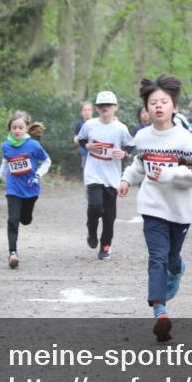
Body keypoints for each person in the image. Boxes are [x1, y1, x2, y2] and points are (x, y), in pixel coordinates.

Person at [120, 75, 192, 342]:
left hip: (180, 210)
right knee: (156, 258)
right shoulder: (142, 137)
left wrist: (168, 174)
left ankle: (177, 268)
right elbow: (138, 165)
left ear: (174, 107)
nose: (158, 106)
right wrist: (125, 179)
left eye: (163, 102)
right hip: (152, 206)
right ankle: (160, 312)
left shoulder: (184, 139)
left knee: (169, 259)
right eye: (153, 102)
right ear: (146, 108)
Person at [76, 91, 133, 260]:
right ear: (96, 108)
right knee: (95, 206)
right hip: (93, 173)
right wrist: (87, 146)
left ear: (115, 108)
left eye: (108, 105)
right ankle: (91, 230)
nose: (104, 108)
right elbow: (81, 139)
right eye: (101, 106)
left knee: (109, 216)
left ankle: (106, 245)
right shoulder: (90, 125)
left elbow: (130, 145)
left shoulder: (121, 128)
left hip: (112, 177)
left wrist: (124, 153)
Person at [0, 111, 51, 269]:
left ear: (26, 128)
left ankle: (26, 217)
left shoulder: (33, 145)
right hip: (13, 189)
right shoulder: (6, 146)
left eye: (20, 127)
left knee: (25, 219)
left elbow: (46, 161)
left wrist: (38, 175)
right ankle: (13, 254)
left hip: (31, 189)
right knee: (12, 219)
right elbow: (5, 162)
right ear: (10, 129)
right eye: (14, 127)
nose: (17, 130)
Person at [73, 101, 93, 170]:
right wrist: (79, 139)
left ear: (92, 111)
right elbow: (75, 139)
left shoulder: (96, 122)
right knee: (86, 173)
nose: (87, 112)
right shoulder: (79, 124)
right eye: (84, 110)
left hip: (96, 154)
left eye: (89, 110)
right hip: (85, 154)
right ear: (81, 112)